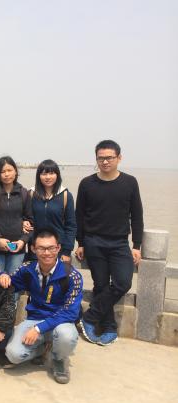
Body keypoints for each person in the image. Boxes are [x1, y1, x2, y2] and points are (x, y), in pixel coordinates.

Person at [76, 140, 143, 346]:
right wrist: (80, 242)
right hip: (93, 241)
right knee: (101, 285)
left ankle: (89, 317)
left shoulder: (130, 182)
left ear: (119, 158)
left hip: (119, 242)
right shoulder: (87, 184)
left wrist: (136, 245)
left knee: (123, 282)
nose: (105, 162)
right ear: (96, 159)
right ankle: (109, 328)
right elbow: (79, 216)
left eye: (109, 158)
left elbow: (137, 215)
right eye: (101, 158)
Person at [2, 228, 83, 384]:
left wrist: (38, 329)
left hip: (60, 322)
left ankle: (58, 359)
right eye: (41, 248)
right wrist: (1, 275)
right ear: (33, 249)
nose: (46, 253)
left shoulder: (72, 275)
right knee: (13, 354)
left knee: (67, 336)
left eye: (51, 248)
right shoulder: (27, 269)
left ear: (58, 248)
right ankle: (43, 349)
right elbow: (11, 283)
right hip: (34, 319)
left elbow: (70, 313)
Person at [0, 156, 33, 280]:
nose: (6, 174)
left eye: (9, 170)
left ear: (15, 171)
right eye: (3, 171)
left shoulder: (24, 193)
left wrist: (23, 241)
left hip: (17, 249)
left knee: (14, 282)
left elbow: (31, 221)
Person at [27, 159, 76, 262]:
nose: (48, 177)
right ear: (39, 176)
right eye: (44, 174)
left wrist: (67, 251)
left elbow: (71, 225)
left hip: (57, 249)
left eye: (51, 173)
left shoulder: (65, 195)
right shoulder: (31, 194)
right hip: (36, 248)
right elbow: (25, 218)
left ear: (57, 175)